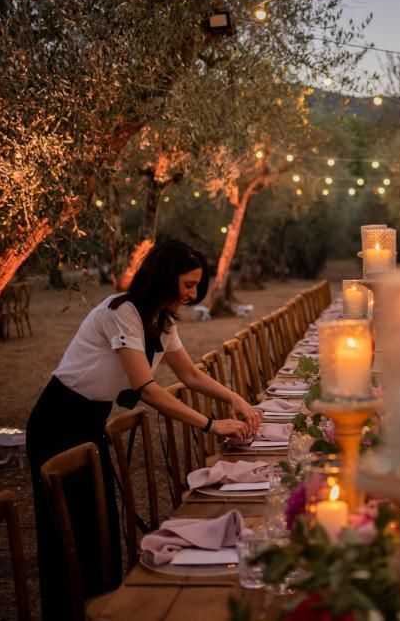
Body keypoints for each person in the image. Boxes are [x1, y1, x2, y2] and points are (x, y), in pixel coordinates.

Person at [26, 240, 261, 619]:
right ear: (165, 279)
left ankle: (104, 605)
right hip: (57, 421)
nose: (193, 294)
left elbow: (189, 373)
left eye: (197, 286)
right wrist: (211, 425)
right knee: (66, 533)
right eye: (187, 285)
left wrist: (234, 398)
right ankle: (69, 612)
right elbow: (147, 390)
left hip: (90, 421)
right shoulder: (123, 311)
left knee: (101, 528)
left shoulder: (160, 319)